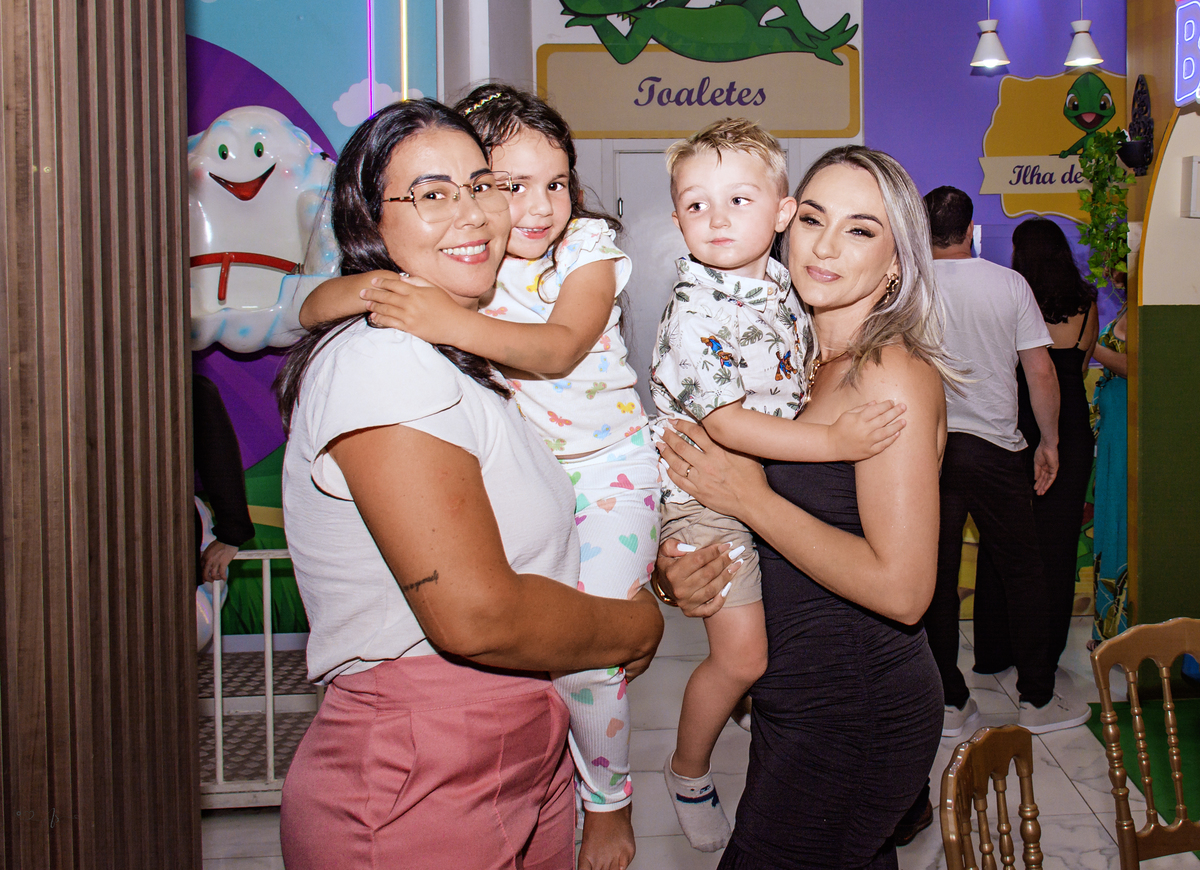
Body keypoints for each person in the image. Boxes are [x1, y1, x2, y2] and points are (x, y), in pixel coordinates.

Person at [276, 98, 663, 870]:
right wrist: (634, 626)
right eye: (432, 193)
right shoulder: (386, 356)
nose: (474, 212)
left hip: (516, 751)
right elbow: (475, 616)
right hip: (424, 767)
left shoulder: (466, 357)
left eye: (482, 186)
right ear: (368, 217)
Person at [655, 145, 952, 869]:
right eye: (814, 219)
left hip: (855, 703)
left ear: (896, 262)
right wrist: (681, 571)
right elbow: (744, 515)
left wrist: (750, 498)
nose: (824, 246)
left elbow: (904, 591)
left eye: (860, 229)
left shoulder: (890, 374)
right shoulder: (787, 359)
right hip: (794, 692)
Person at [922, 186, 1089, 737]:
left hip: (931, 452)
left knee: (937, 578)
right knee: (1024, 574)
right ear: (972, 230)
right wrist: (1050, 442)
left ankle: (949, 703)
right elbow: (1040, 371)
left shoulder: (906, 287)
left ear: (922, 230)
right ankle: (1036, 699)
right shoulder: (1009, 284)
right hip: (996, 448)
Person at [974, 217, 1098, 670]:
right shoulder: (1087, 303)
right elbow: (1078, 367)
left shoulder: (1012, 298)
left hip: (1019, 424)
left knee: (1002, 539)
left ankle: (996, 649)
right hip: (1071, 428)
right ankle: (1046, 652)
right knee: (1058, 543)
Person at [1091, 302, 1128, 645]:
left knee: (1121, 515)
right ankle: (1107, 625)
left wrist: (1088, 343)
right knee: (1108, 515)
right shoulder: (1125, 306)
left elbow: (1135, 366)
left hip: (1128, 424)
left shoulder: (1144, 308)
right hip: (1113, 423)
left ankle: (1124, 627)